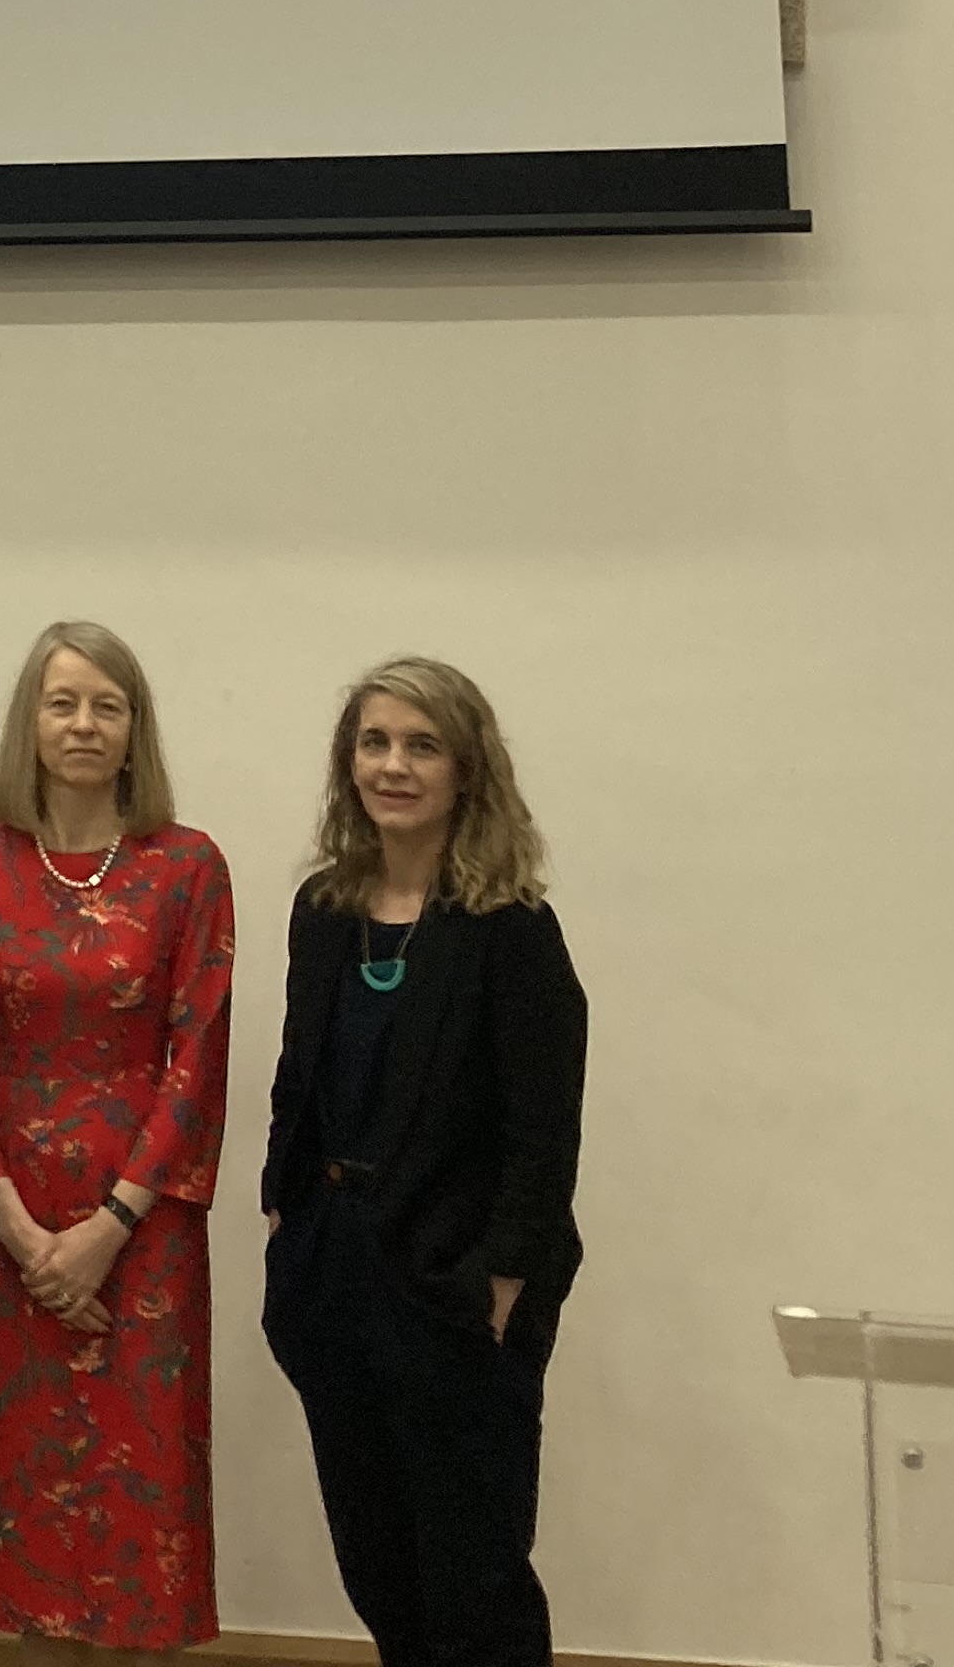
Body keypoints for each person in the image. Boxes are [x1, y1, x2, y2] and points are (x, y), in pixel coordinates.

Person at [258, 658, 586, 1667]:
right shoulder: (325, 911)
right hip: (335, 1282)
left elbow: (544, 1132)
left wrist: (497, 1288)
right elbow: (297, 1079)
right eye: (374, 742)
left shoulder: (512, 930)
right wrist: (284, 1219)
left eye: (420, 745)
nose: (392, 766)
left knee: (475, 1581)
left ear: (465, 770)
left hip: (454, 1294)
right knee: (377, 1566)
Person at [0, 621, 236, 1665]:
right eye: (63, 703)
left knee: (141, 1517)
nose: (84, 724)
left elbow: (198, 1056)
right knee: (35, 1516)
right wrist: (17, 1225)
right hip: (11, 1227)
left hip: (144, 1233)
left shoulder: (188, 867)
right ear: (31, 722)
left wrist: (110, 1226)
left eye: (108, 705)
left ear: (135, 729)